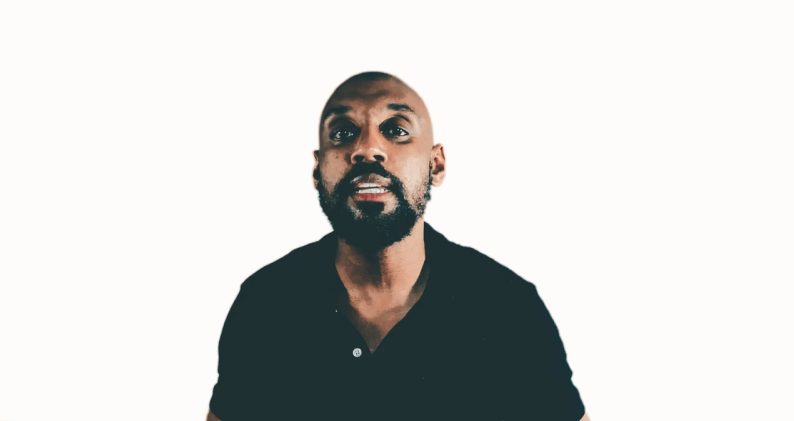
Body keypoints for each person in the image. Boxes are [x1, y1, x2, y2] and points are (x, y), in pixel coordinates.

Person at [206, 72, 590, 421]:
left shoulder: (508, 309)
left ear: (435, 165)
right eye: (342, 132)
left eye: (396, 129)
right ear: (317, 170)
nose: (367, 149)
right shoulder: (265, 302)